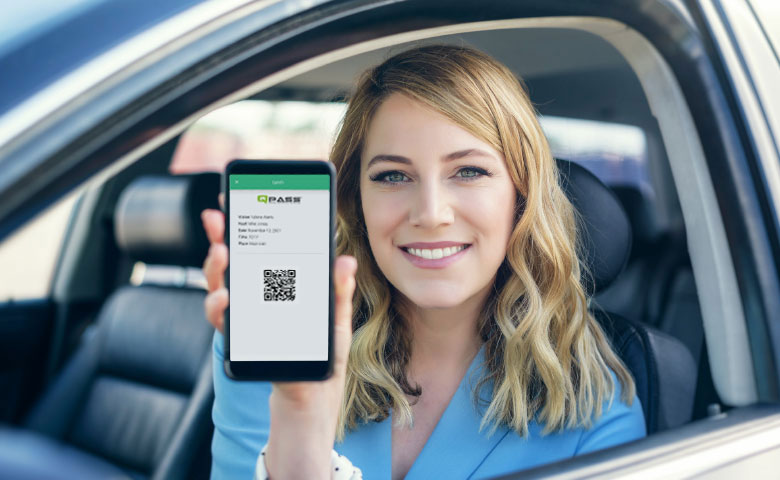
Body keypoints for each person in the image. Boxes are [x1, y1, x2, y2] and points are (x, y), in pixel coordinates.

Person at [200, 44, 646, 480]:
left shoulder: (595, 413)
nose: (430, 214)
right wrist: (299, 424)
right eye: (393, 175)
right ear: (357, 203)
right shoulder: (280, 346)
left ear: (521, 196)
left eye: (469, 171)